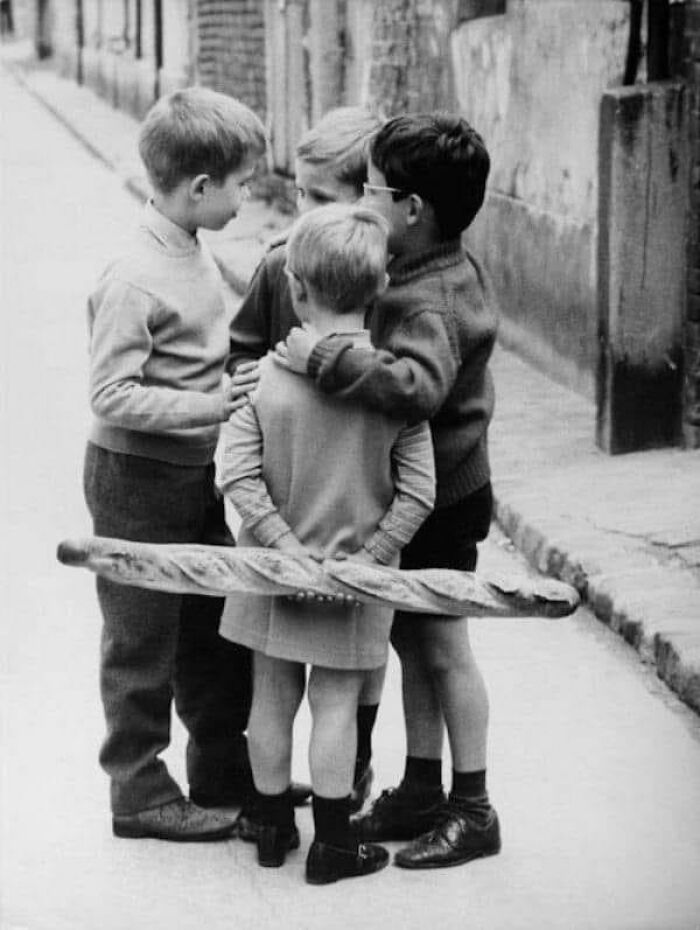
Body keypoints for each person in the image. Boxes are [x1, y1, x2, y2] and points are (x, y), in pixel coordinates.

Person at [278, 113, 501, 869]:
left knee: (443, 648)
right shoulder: (421, 267)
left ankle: (473, 807)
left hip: (441, 502)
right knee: (412, 641)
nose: (360, 201)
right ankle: (421, 788)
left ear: (411, 208)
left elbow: (419, 389)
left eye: (368, 190)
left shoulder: (430, 297)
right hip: (427, 493)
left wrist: (327, 362)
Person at [218, 204, 435, 884]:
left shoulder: (266, 382)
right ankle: (335, 844)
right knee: (337, 704)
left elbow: (238, 474)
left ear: (297, 290)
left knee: (271, 696)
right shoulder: (390, 389)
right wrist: (365, 563)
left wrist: (286, 550)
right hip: (354, 581)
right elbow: (419, 492)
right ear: (377, 290)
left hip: (270, 572)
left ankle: (270, 822)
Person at [83, 87, 268, 842]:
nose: (248, 197)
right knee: (141, 637)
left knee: (211, 622)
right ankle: (138, 790)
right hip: (135, 480)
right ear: (199, 189)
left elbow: (198, 359)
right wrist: (212, 406)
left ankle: (221, 769)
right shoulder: (133, 276)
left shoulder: (191, 249)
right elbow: (112, 394)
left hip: (190, 475)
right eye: (242, 185)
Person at [227, 105, 385, 816]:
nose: (302, 217)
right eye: (299, 195)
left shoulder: (383, 279)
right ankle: (324, 821)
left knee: (348, 686)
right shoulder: (277, 267)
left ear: (365, 199)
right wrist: (245, 383)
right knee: (304, 686)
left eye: (320, 200)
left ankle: (348, 781)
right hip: (297, 519)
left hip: (338, 519)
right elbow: (242, 351)